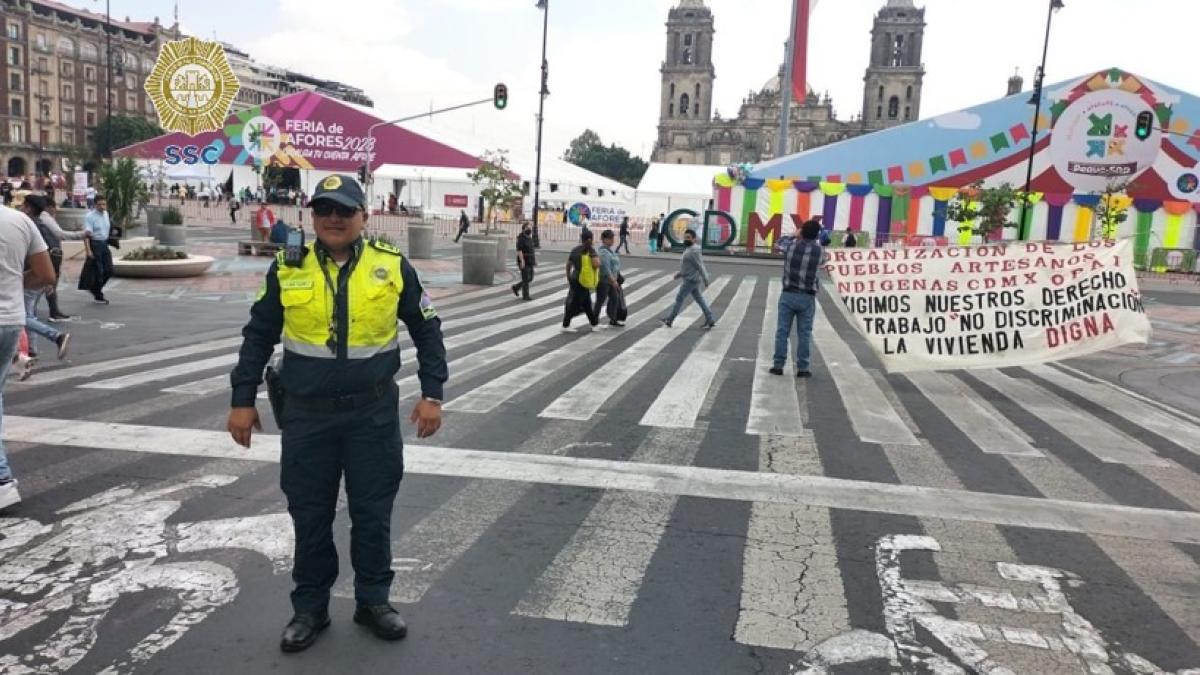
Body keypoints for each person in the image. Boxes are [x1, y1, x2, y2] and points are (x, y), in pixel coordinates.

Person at [227, 173, 448, 653]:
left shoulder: (391, 267)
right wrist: (242, 399)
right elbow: (258, 335)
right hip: (308, 419)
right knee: (310, 515)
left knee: (372, 513)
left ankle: (373, 601)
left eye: (345, 210)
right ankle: (310, 608)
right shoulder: (288, 268)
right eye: (324, 209)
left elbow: (427, 329)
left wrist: (433, 394)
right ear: (312, 216)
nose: (333, 218)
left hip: (372, 416)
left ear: (363, 217)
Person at [0, 202, 57, 510]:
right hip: (10, 320)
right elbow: (46, 274)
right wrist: (14, 283)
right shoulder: (20, 221)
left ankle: (2, 478)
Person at [771, 219, 826, 378]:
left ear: (801, 232)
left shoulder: (791, 246)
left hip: (788, 294)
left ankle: (778, 365)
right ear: (816, 234)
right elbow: (823, 262)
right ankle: (803, 368)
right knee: (804, 333)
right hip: (807, 297)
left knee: (782, 331)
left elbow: (777, 243)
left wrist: (794, 235)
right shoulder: (819, 251)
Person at [660, 229, 716, 329]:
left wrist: (706, 279)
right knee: (699, 299)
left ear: (694, 239)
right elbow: (688, 266)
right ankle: (710, 318)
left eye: (689, 238)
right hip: (692, 279)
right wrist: (680, 274)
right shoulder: (690, 249)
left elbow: (700, 266)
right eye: (685, 237)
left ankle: (670, 319)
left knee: (679, 299)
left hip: (690, 280)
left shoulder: (693, 251)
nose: (686, 239)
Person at [562, 230, 600, 333]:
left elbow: (568, 264)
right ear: (589, 239)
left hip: (575, 278)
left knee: (587, 303)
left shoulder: (575, 250)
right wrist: (597, 259)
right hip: (583, 280)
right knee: (575, 304)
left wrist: (568, 276)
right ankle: (565, 325)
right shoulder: (590, 250)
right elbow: (596, 264)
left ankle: (594, 324)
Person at [81, 195, 114, 305]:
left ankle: (95, 288)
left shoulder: (106, 214)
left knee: (109, 270)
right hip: (95, 244)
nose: (102, 206)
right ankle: (98, 294)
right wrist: (88, 250)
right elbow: (86, 234)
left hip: (104, 244)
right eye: (99, 204)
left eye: (104, 204)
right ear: (95, 205)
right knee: (99, 271)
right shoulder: (90, 217)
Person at [594, 229, 624, 327]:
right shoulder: (603, 252)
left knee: (615, 299)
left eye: (613, 238)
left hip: (611, 281)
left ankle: (613, 319)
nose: (612, 240)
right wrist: (613, 280)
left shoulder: (609, 250)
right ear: (605, 239)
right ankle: (594, 321)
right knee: (600, 301)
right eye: (610, 238)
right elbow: (605, 268)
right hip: (605, 281)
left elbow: (613, 266)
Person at [511, 221, 536, 301]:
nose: (530, 229)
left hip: (530, 260)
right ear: (524, 228)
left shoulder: (529, 237)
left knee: (530, 278)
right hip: (524, 259)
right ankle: (526, 295)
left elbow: (532, 249)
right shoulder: (521, 238)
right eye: (528, 227)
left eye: (531, 227)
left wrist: (534, 260)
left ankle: (516, 287)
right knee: (525, 278)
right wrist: (522, 260)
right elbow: (519, 250)